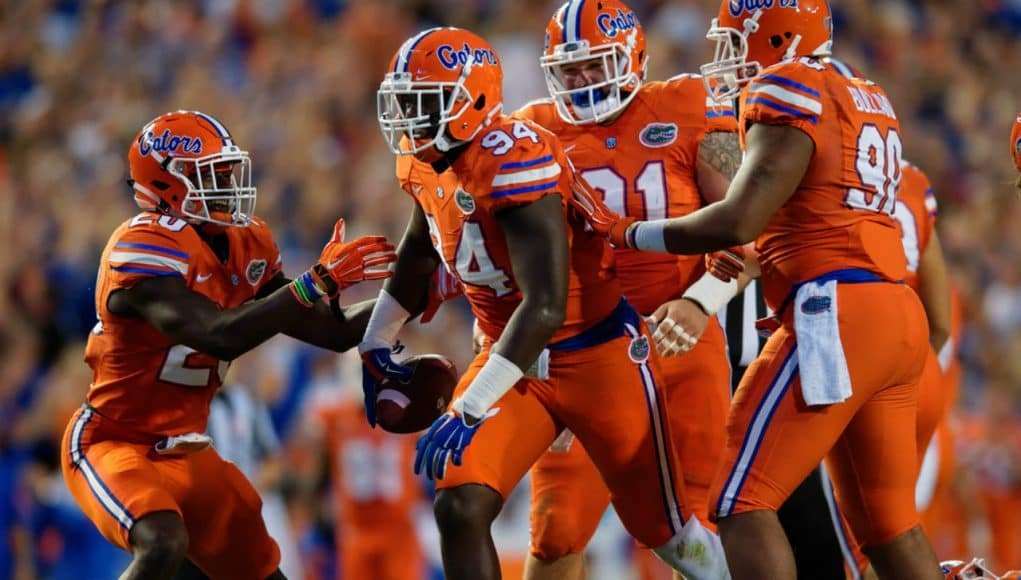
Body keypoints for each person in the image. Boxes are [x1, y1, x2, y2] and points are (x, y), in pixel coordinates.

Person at [571, 1, 945, 577]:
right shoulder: (863, 90)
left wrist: (627, 230)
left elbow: (738, 221)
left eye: (733, 43)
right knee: (887, 526)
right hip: (895, 311)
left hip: (835, 310)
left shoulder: (789, 84)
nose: (724, 60)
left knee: (735, 499)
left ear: (775, 37)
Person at [363, 26, 729, 580]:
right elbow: (418, 255)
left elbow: (546, 306)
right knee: (460, 504)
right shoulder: (423, 164)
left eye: (424, 103)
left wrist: (469, 405)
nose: (409, 118)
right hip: (517, 359)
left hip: (596, 354)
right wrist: (374, 339)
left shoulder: (516, 156)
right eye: (405, 102)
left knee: (670, 537)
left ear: (472, 100)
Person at [60, 110, 396, 580]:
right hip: (116, 440)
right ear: (166, 184)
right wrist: (314, 282)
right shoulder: (140, 247)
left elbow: (332, 331)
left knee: (263, 572)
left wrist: (414, 291)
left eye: (226, 171)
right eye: (211, 174)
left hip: (189, 448)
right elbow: (219, 333)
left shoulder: (244, 242)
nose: (226, 184)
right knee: (161, 542)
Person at [511, 1, 740, 578]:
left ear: (632, 56)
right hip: (583, 353)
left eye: (597, 64)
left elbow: (751, 226)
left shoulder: (685, 105)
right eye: (571, 69)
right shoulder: (531, 130)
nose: (584, 80)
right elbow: (505, 259)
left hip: (679, 341)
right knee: (556, 530)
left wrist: (700, 301)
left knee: (694, 529)